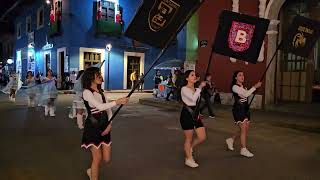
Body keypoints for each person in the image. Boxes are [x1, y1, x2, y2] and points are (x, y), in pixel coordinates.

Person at [81, 67, 129, 180]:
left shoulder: (101, 91)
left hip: (105, 126)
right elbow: (100, 107)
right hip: (93, 127)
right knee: (97, 158)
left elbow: (108, 110)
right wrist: (117, 101)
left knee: (106, 159)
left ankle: (92, 170)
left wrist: (110, 124)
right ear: (90, 77)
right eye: (97, 74)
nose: (100, 76)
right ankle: (93, 175)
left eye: (100, 74)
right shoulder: (87, 92)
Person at [225, 71, 262, 158]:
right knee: (243, 130)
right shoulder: (235, 87)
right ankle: (243, 149)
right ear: (235, 78)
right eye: (240, 75)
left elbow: (247, 94)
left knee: (244, 129)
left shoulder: (243, 87)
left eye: (243, 75)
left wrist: (255, 88)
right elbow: (246, 94)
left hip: (245, 109)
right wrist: (255, 87)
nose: (242, 76)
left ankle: (231, 140)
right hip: (239, 110)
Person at [180, 70, 207, 168]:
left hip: (196, 114)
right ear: (187, 78)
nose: (194, 76)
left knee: (202, 137)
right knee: (189, 138)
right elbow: (193, 99)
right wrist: (200, 88)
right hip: (187, 114)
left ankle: (190, 148)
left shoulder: (196, 89)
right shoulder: (184, 89)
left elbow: (198, 104)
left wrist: (199, 88)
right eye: (192, 75)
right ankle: (188, 159)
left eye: (195, 75)